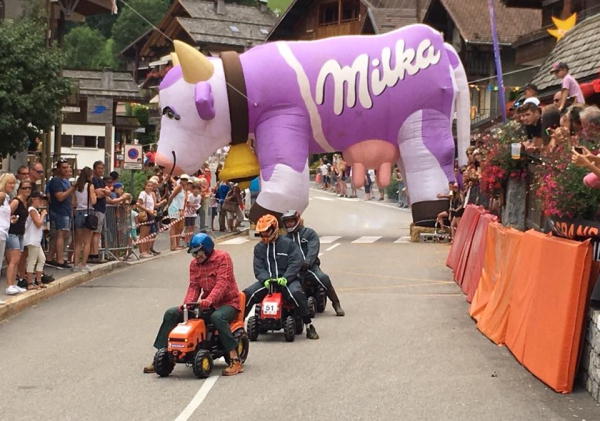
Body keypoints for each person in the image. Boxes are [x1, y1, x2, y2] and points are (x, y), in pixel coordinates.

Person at [144, 233, 244, 376]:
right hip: (205, 304)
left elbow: (222, 283)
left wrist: (209, 300)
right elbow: (194, 287)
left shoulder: (223, 258)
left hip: (228, 303)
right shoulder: (194, 265)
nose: (196, 257)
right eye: (194, 254)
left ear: (207, 249)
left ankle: (235, 360)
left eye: (198, 253)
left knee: (218, 317)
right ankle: (163, 355)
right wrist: (187, 305)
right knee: (172, 313)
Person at [243, 214, 319, 339]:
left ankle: (309, 325)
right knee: (247, 294)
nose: (264, 235)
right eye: (262, 233)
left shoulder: (288, 244)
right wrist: (266, 279)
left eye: (266, 232)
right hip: (268, 282)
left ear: (274, 229)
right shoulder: (259, 248)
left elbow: (295, 262)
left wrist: (286, 278)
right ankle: (238, 327)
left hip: (287, 281)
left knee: (297, 293)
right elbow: (258, 267)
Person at [281, 210, 345, 316]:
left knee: (323, 278)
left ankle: (336, 303)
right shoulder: (284, 239)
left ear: (297, 220)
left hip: (309, 268)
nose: (289, 224)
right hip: (292, 270)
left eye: (291, 222)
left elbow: (313, 250)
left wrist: (307, 262)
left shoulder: (309, 233)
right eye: (286, 222)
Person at [47, 160, 75, 269]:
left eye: (67, 167)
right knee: (60, 234)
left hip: (66, 210)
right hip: (59, 211)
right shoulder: (56, 181)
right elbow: (60, 197)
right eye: (64, 167)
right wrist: (72, 189)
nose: (66, 169)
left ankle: (49, 257)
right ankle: (59, 259)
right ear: (58, 169)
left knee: (62, 235)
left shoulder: (66, 181)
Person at [73, 167, 97, 272]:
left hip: (78, 212)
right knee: (87, 241)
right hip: (88, 212)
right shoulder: (90, 186)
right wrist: (96, 195)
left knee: (78, 241)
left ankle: (75, 265)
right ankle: (83, 265)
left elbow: (73, 201)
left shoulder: (77, 186)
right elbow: (93, 201)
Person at [23, 191, 48, 289]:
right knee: (32, 260)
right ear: (33, 199)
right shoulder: (32, 210)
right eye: (40, 199)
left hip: (36, 239)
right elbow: (38, 223)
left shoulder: (34, 210)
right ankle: (29, 282)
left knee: (42, 259)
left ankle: (38, 280)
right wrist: (43, 215)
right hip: (32, 239)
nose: (41, 202)